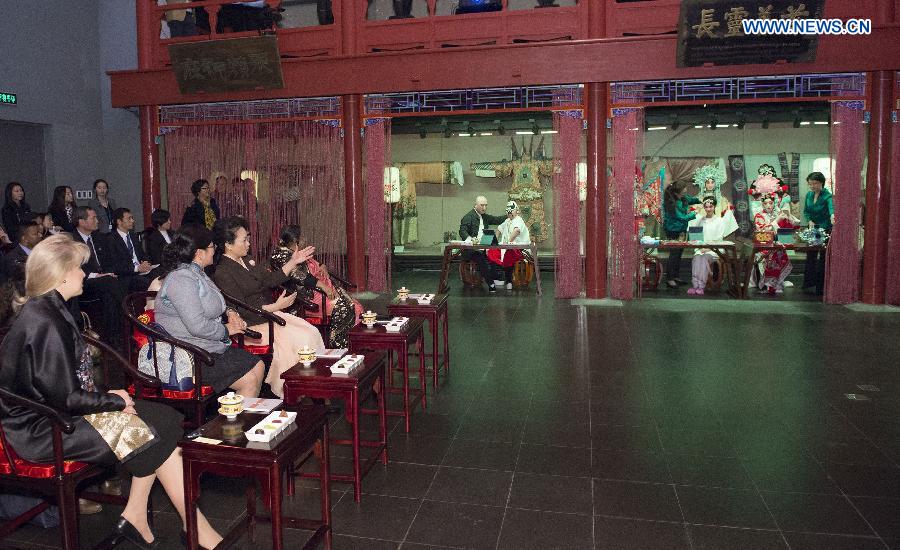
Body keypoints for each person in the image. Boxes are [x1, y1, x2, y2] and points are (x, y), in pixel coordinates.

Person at [0, 235, 224, 549]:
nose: (83, 273)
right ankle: (196, 531)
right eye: (79, 267)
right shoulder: (43, 322)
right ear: (62, 273)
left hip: (60, 416)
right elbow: (65, 399)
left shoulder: (50, 309)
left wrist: (111, 400)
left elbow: (66, 387)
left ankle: (136, 516)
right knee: (147, 431)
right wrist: (113, 402)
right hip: (44, 430)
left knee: (166, 419)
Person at [213, 217, 324, 397]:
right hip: (252, 324)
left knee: (310, 331)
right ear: (228, 244)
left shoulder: (247, 260)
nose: (249, 244)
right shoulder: (223, 272)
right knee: (300, 338)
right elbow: (241, 309)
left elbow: (270, 280)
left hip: (268, 315)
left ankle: (310, 388)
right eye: (244, 240)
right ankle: (293, 392)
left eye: (248, 238)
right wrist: (275, 306)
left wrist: (293, 261)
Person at [154, 224, 264, 398]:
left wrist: (230, 311)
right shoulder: (181, 279)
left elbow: (215, 301)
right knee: (249, 380)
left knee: (258, 365)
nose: (215, 250)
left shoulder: (197, 273)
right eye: (212, 246)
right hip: (187, 355)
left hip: (206, 346)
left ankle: (239, 419)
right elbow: (197, 326)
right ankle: (232, 423)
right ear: (199, 253)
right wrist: (227, 330)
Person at [270, 225, 363, 349]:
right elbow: (301, 276)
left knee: (356, 306)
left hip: (319, 292)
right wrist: (324, 287)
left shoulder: (296, 251)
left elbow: (313, 264)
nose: (305, 239)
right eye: (302, 237)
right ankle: (338, 346)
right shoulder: (281, 256)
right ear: (295, 240)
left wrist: (322, 265)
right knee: (346, 307)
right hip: (305, 299)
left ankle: (354, 345)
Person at [71, 206, 128, 347]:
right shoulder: (72, 239)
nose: (98, 220)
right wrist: (99, 275)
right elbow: (75, 267)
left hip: (103, 281)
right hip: (83, 282)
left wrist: (107, 273)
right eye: (93, 218)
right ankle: (128, 311)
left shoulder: (99, 238)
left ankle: (113, 338)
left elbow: (109, 261)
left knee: (109, 293)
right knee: (110, 282)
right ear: (82, 221)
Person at [686, 197, 738, 296]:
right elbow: (696, 237)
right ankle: (695, 285)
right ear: (704, 208)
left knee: (704, 258)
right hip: (701, 248)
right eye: (706, 207)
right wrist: (701, 247)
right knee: (697, 258)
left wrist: (708, 248)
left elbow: (718, 239)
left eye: (710, 206)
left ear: (714, 207)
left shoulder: (719, 221)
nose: (708, 209)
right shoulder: (700, 220)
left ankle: (701, 286)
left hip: (715, 249)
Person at [458, 195, 506, 292]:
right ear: (475, 205)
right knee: (480, 258)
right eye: (482, 205)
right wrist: (470, 240)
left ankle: (496, 277)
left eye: (486, 205)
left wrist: (509, 215)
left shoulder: (484, 217)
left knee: (495, 253)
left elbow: (497, 219)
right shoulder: (468, 217)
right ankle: (491, 283)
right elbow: (462, 231)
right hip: (470, 250)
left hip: (483, 246)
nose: (484, 208)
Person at [751, 194, 795, 294]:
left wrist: (788, 218)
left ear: (774, 203)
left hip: (776, 243)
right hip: (763, 245)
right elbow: (763, 230)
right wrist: (777, 220)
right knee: (771, 255)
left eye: (770, 203)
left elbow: (787, 228)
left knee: (780, 252)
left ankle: (779, 281)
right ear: (762, 204)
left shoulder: (777, 213)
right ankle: (770, 284)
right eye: (765, 203)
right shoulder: (759, 216)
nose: (768, 205)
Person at [106, 207, 155, 291]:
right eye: (129, 218)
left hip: (141, 271)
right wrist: (136, 268)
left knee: (161, 275)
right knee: (150, 283)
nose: (132, 221)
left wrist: (146, 263)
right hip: (126, 276)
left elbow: (142, 255)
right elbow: (115, 266)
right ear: (119, 221)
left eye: (132, 218)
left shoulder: (133, 236)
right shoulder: (111, 239)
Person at [662, 183, 700, 288]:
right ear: (676, 192)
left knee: (679, 253)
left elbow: (693, 200)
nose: (686, 189)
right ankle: (669, 279)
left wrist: (703, 199)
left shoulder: (683, 198)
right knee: (674, 253)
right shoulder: (670, 203)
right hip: (672, 230)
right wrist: (694, 213)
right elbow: (682, 217)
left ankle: (675, 276)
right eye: (684, 188)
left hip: (682, 230)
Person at [486, 200, 530, 290]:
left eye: (511, 211)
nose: (509, 213)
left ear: (516, 211)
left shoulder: (519, 220)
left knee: (508, 254)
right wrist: (495, 240)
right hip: (505, 247)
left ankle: (508, 280)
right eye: (508, 211)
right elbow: (499, 229)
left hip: (520, 248)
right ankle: (498, 277)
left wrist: (508, 243)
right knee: (492, 251)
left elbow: (516, 231)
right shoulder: (507, 221)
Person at [802, 172, 834, 295]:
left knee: (823, 258)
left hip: (825, 229)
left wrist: (832, 215)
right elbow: (806, 211)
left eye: (815, 183)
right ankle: (809, 283)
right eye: (810, 184)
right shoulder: (809, 195)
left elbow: (831, 208)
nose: (812, 186)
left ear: (821, 183)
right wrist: (809, 220)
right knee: (810, 256)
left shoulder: (827, 196)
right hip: (813, 230)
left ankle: (821, 287)